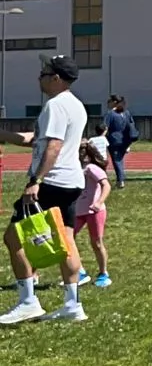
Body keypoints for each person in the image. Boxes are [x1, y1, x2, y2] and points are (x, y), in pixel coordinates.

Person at [1, 56, 90, 324]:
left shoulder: (55, 105)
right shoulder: (75, 106)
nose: (39, 77)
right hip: (71, 182)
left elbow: (53, 146)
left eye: (44, 73)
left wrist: (35, 181)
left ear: (56, 79)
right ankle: (73, 305)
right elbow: (34, 140)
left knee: (12, 238)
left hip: (51, 182)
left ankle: (28, 301)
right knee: (66, 242)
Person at [73, 138, 112, 287]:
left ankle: (103, 273)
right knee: (69, 240)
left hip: (94, 211)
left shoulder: (91, 168)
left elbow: (106, 185)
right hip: (78, 211)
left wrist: (99, 202)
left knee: (96, 242)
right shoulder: (75, 169)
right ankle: (80, 270)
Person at [103, 95, 138, 188]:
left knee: (117, 160)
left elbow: (105, 127)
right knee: (120, 159)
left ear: (114, 102)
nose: (108, 103)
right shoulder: (126, 113)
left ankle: (121, 180)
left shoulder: (110, 114)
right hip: (126, 140)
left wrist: (101, 137)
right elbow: (131, 124)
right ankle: (121, 178)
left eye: (109, 101)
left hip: (114, 140)